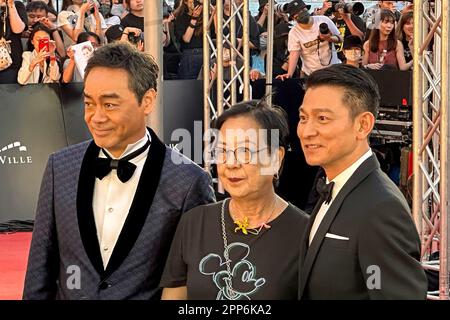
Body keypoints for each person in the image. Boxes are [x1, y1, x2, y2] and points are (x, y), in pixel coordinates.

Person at [23, 42, 215, 300]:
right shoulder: (61, 166)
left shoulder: (189, 181)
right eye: (89, 104)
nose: (96, 117)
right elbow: (40, 268)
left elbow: (197, 280)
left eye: (110, 105)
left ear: (147, 101)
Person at [297, 64, 427, 299]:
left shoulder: (381, 208)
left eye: (322, 118)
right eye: (303, 118)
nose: (306, 131)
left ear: (363, 125)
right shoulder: (334, 186)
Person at [160, 100, 309, 300]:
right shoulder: (194, 222)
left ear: (276, 158)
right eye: (222, 152)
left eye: (245, 152)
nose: (230, 164)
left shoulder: (306, 234)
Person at [276, 0, 341, 80]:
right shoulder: (294, 32)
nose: (301, 13)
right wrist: (289, 74)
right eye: (298, 13)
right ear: (293, 17)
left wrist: (329, 38)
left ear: (307, 9)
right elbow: (294, 54)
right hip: (311, 73)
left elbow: (340, 39)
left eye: (303, 10)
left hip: (333, 70)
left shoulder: (323, 20)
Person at [0, 0, 27, 84]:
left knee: (8, 92)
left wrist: (11, 5)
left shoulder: (18, 5)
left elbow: (18, 29)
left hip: (11, 60)